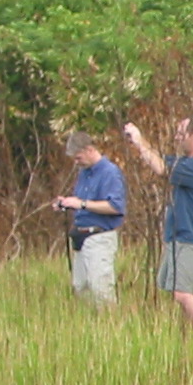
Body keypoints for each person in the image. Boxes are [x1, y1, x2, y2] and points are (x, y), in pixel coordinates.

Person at [123, 117, 193, 328]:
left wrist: (139, 140)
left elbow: (162, 169)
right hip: (177, 235)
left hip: (190, 236)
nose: (176, 138)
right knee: (178, 292)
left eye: (181, 134)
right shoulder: (186, 162)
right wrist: (139, 143)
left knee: (182, 293)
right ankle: (188, 335)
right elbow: (157, 159)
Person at [53, 130, 126, 310]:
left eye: (78, 157)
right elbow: (82, 202)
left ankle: (111, 324)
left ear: (89, 149)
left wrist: (82, 204)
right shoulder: (84, 173)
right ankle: (90, 325)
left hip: (100, 237)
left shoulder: (110, 172)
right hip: (81, 237)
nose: (76, 162)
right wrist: (66, 203)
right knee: (81, 288)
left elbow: (115, 207)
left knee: (101, 289)